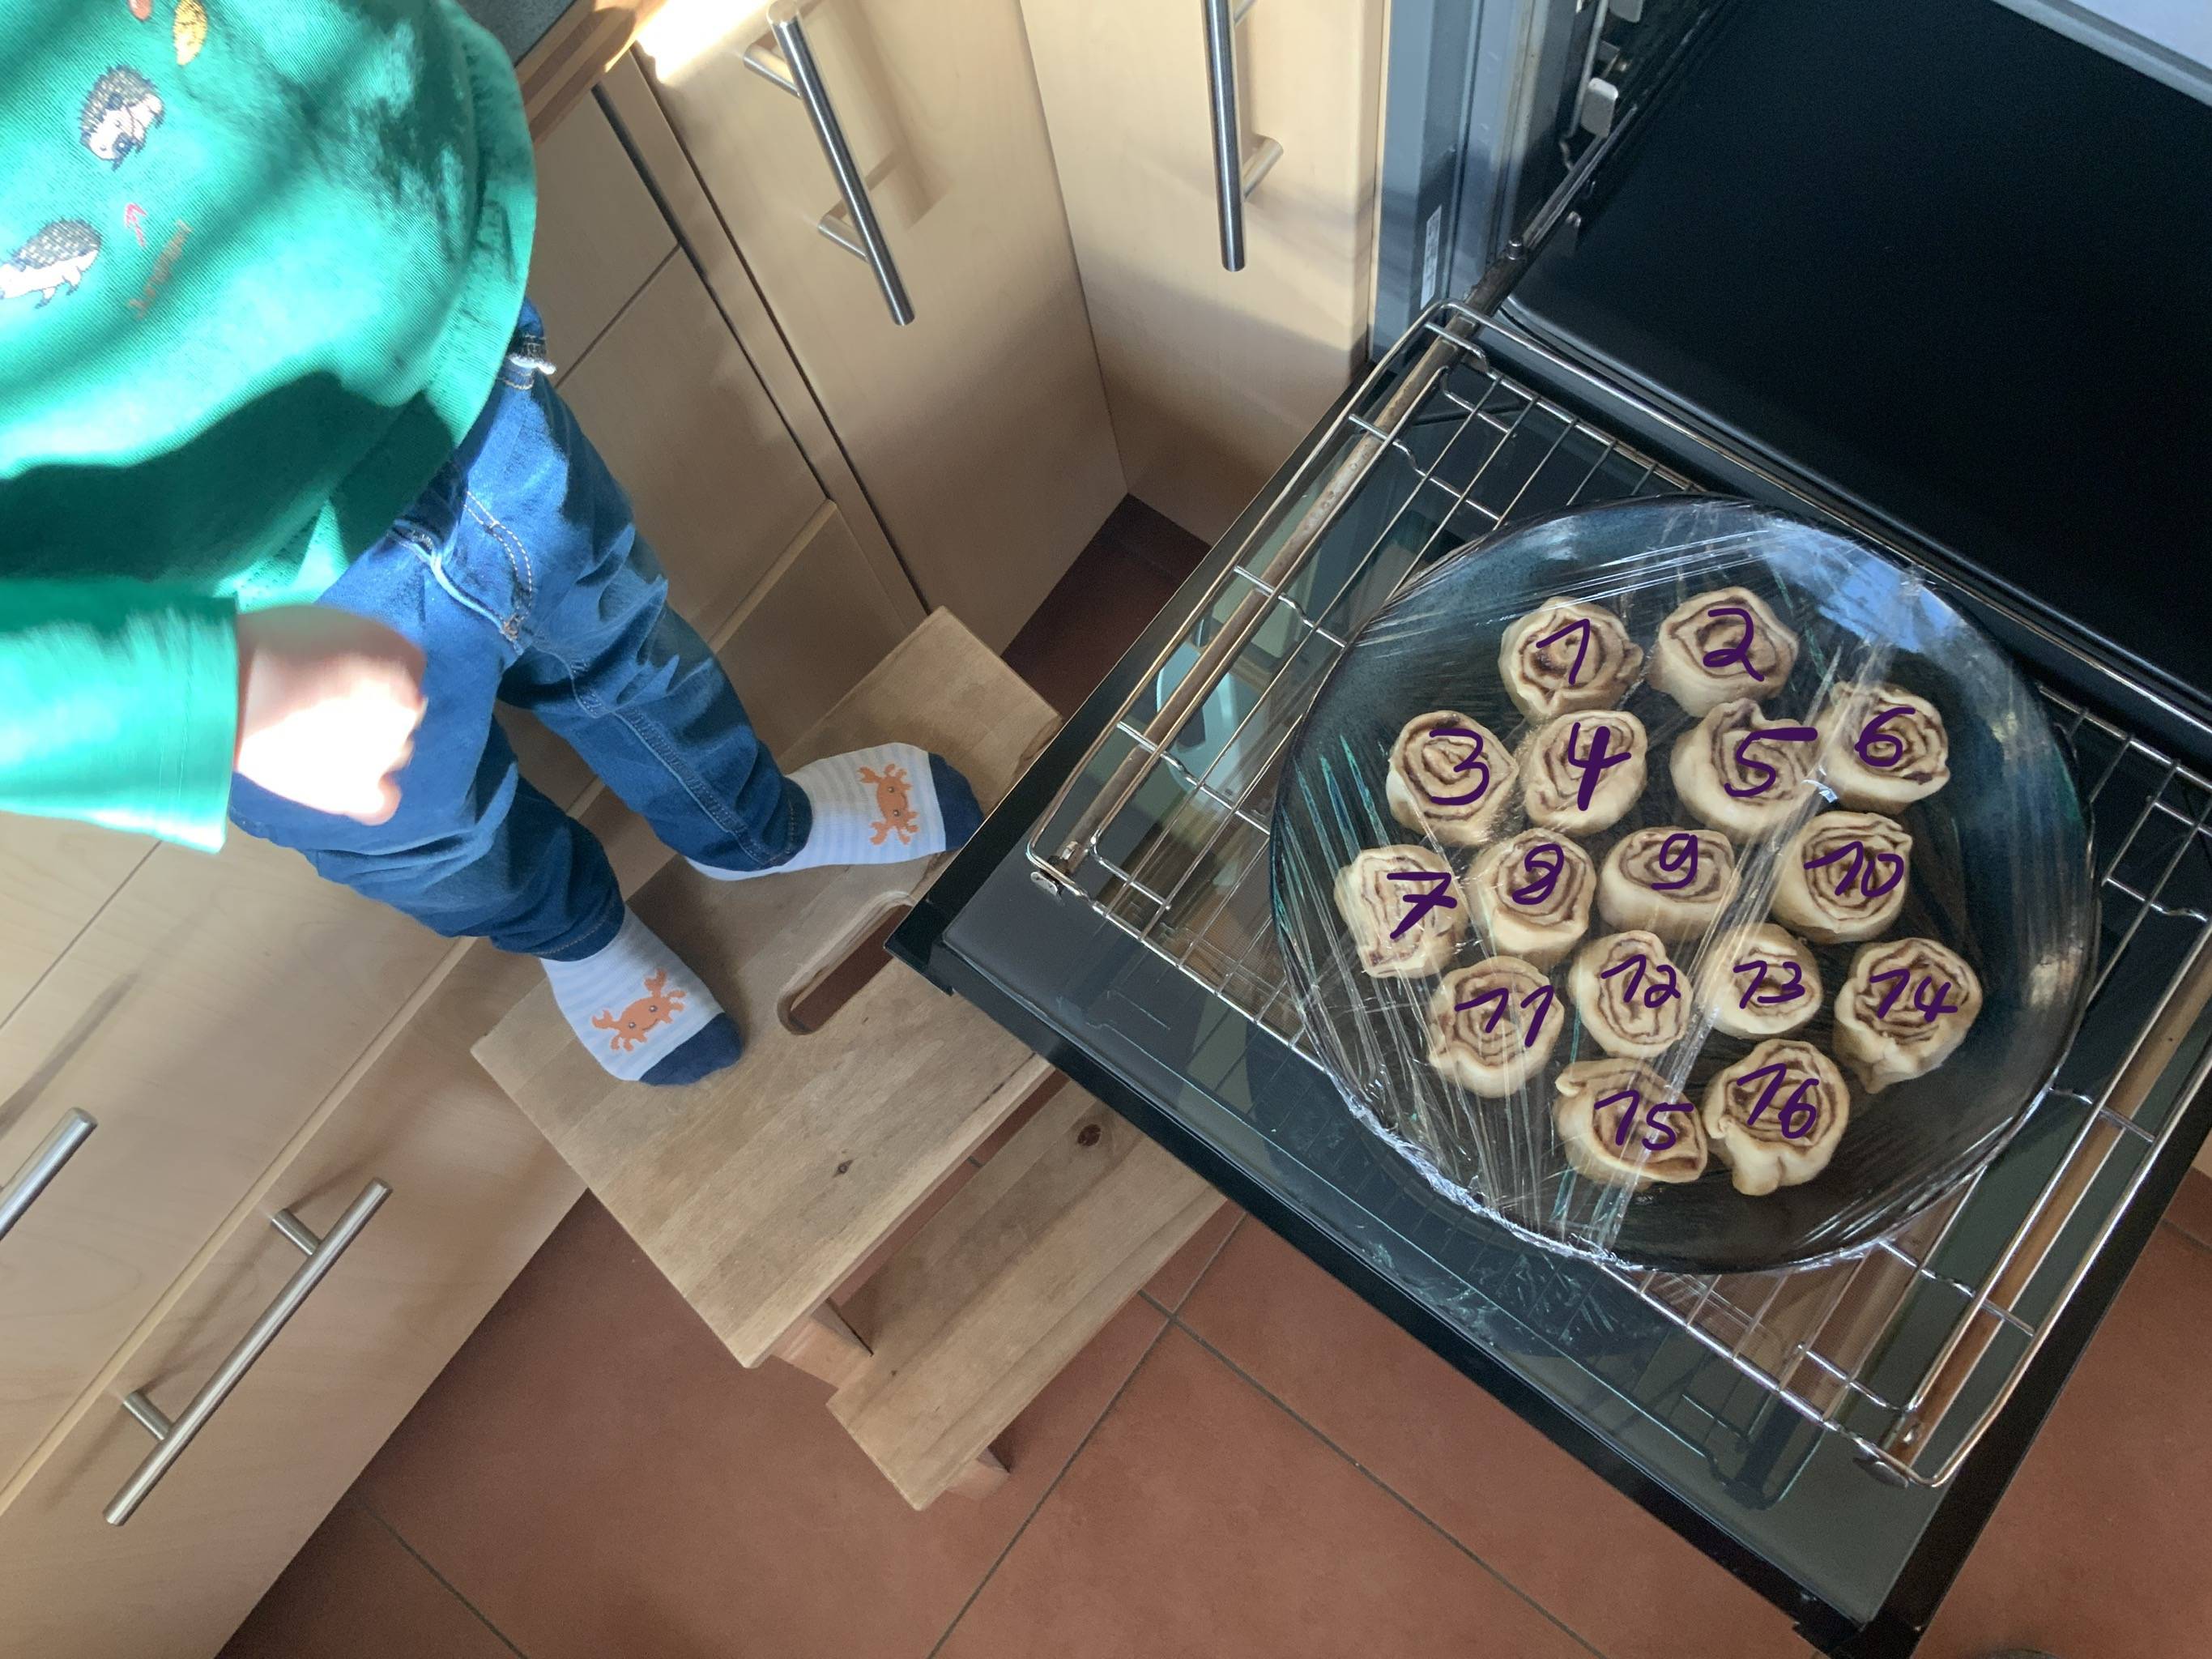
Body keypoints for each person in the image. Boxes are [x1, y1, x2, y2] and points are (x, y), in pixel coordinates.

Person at [0, 0, 979, 1085]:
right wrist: (198, 699)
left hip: (435, 329)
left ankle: (751, 831)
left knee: (626, 645)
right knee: (431, 833)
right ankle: (576, 932)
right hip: (214, 601)